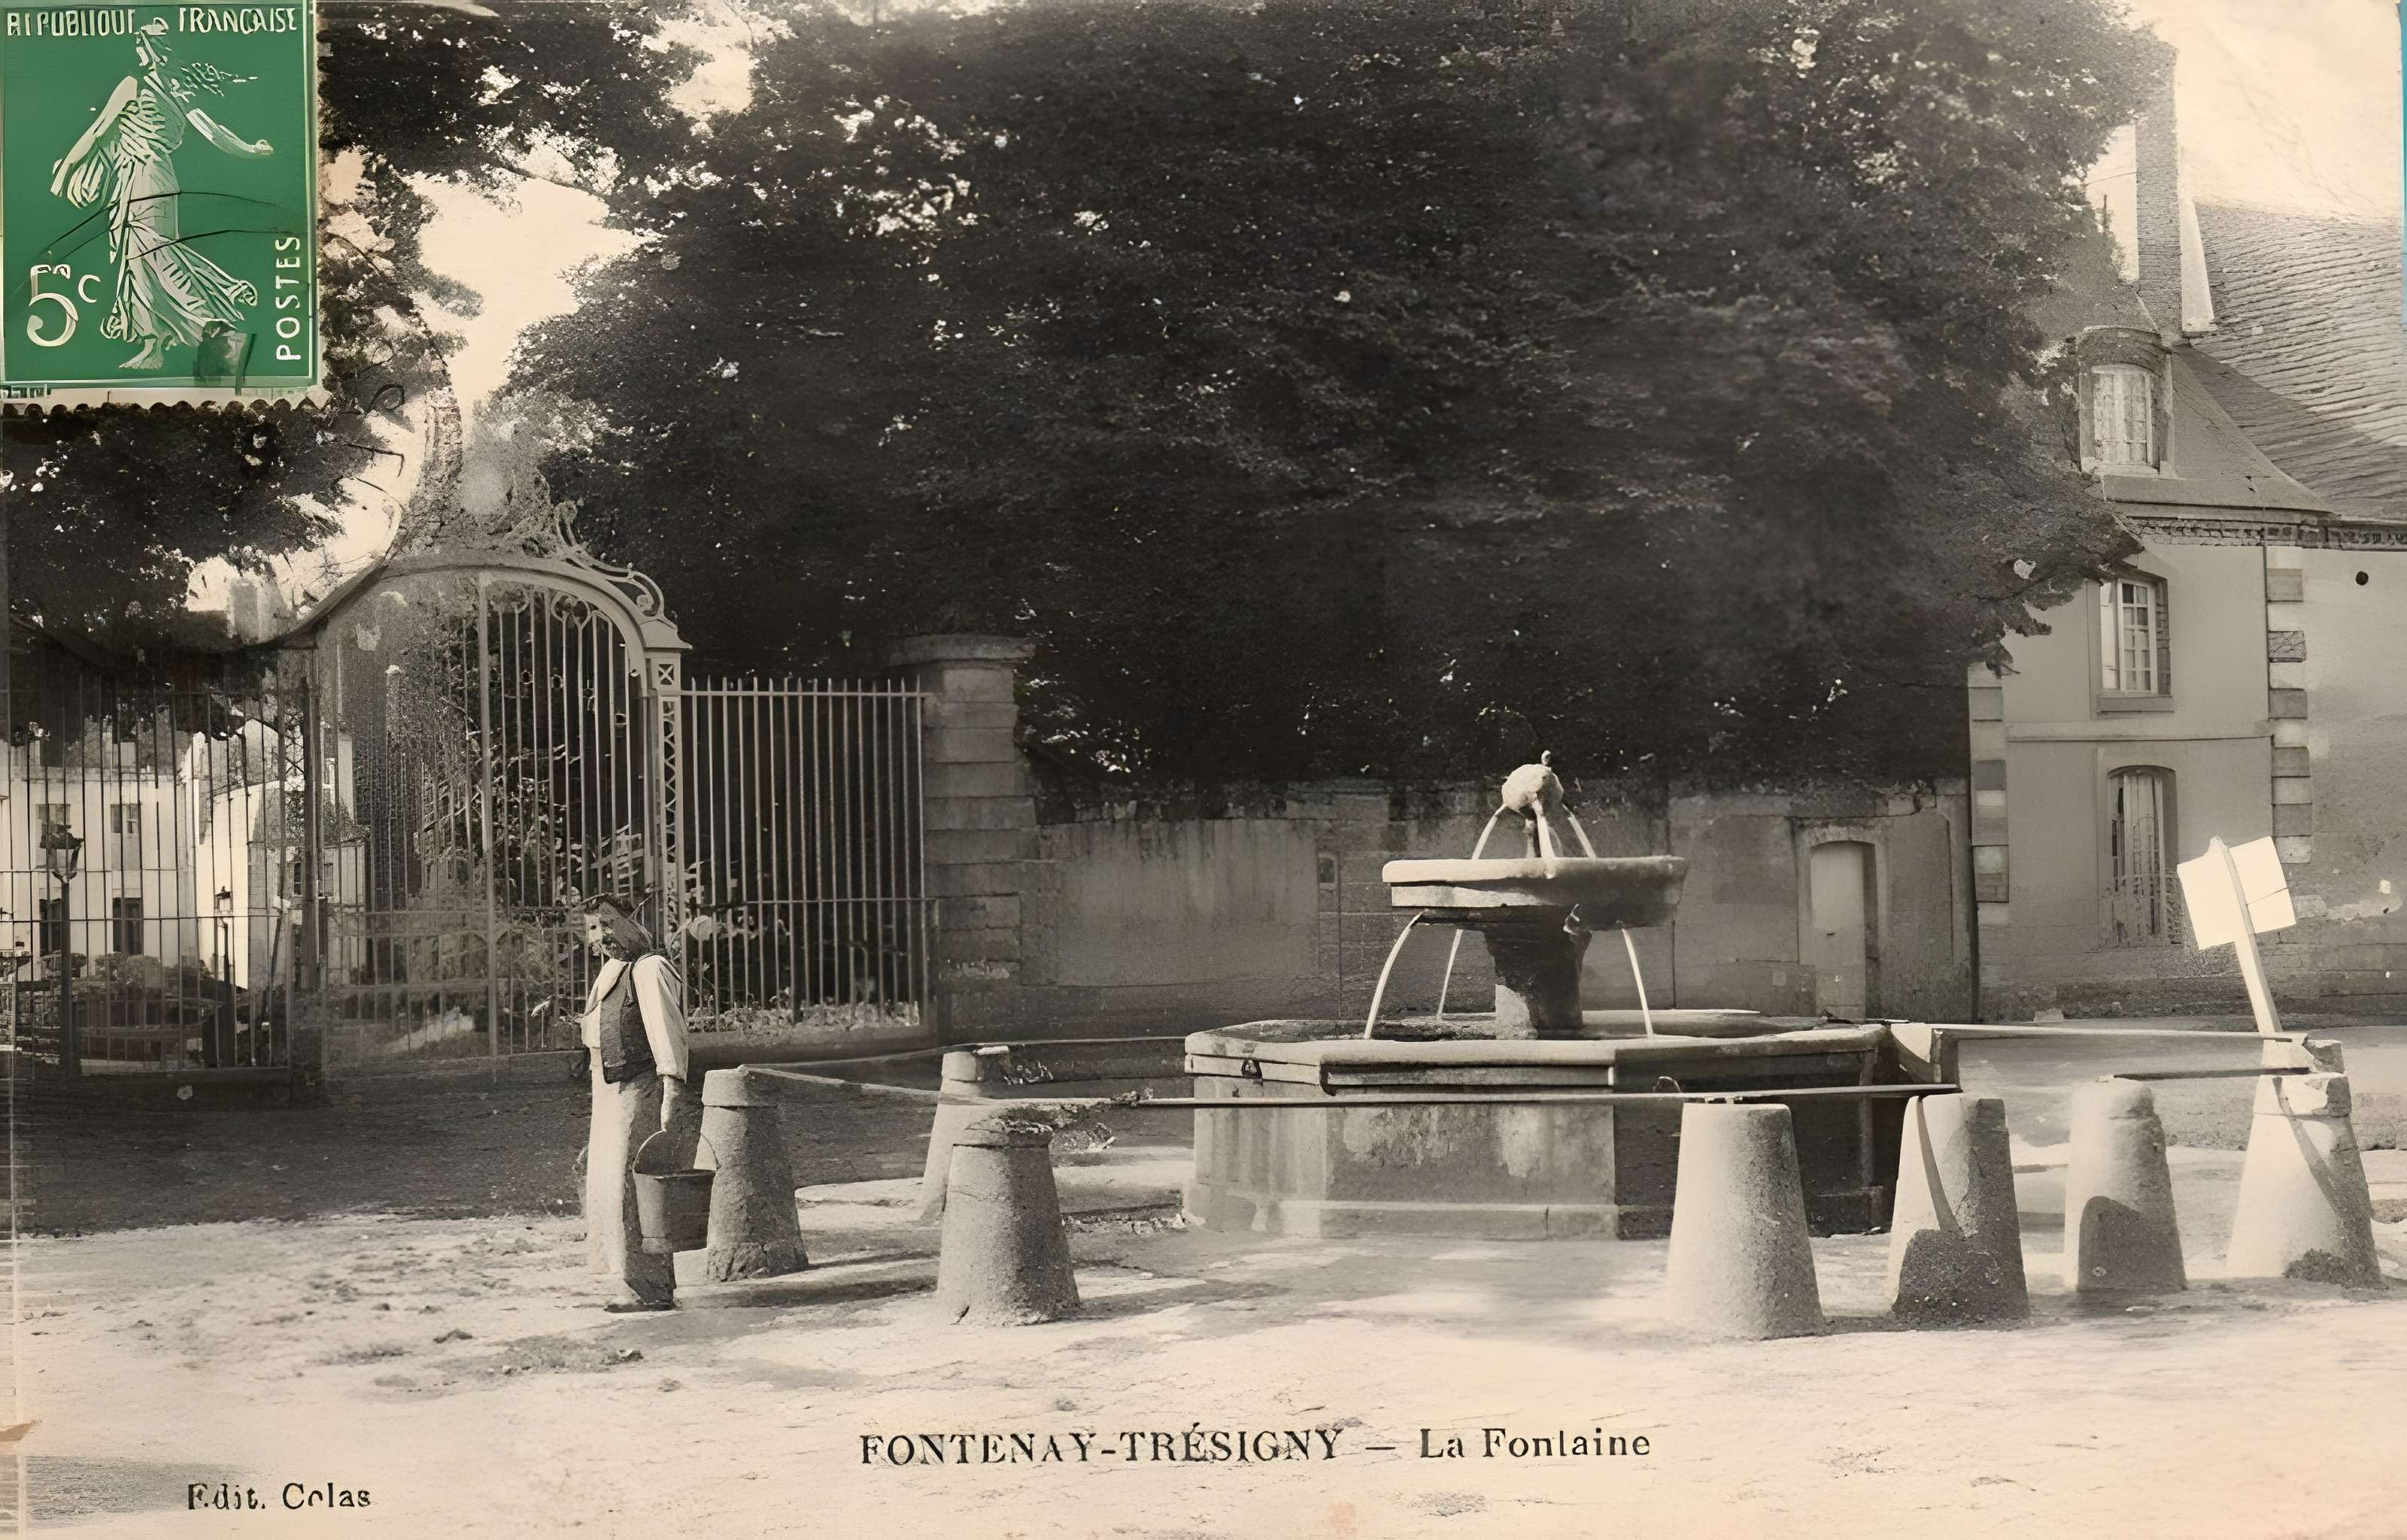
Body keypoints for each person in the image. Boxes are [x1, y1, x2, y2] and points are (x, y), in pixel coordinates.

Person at [47, 20, 273, 371]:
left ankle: (211, 324)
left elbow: (96, 131)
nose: (137, 51)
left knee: (149, 258)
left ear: (149, 48)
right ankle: (157, 345)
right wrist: (250, 149)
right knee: (142, 261)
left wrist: (64, 173)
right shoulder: (180, 90)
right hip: (159, 177)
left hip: (142, 177)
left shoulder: (132, 84)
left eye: (140, 45)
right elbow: (216, 134)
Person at [578, 893, 699, 1312]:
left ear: (635, 922)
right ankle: (628, 1279)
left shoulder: (650, 969)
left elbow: (668, 1034)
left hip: (642, 1087)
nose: (601, 937)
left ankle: (651, 1288)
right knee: (611, 1187)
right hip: (610, 1088)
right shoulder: (613, 971)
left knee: (637, 1187)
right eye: (595, 928)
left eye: (608, 925)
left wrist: (671, 1091)